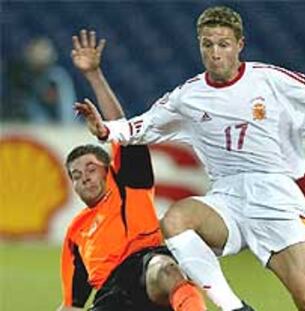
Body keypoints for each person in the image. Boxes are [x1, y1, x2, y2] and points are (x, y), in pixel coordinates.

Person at [72, 5, 305, 311]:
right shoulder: (188, 97)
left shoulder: (271, 80)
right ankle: (233, 308)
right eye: (207, 44)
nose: (215, 53)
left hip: (275, 195)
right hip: (227, 197)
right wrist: (105, 130)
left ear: (239, 45)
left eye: (223, 44)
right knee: (177, 220)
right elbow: (140, 128)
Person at [57, 49, 206, 310]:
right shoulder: (76, 233)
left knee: (168, 270)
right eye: (76, 176)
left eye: (91, 169)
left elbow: (122, 128)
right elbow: (72, 303)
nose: (85, 179)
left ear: (108, 170)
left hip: (145, 268)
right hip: (110, 296)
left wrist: (94, 76)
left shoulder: (127, 185)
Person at [2, 37, 76, 123]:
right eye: (37, 53)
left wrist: (66, 126)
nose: (41, 56)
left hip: (58, 127)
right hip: (32, 125)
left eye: (44, 53)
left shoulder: (57, 78)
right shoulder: (22, 77)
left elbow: (67, 109)